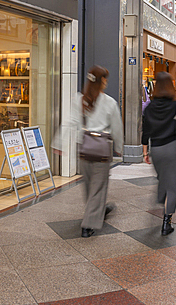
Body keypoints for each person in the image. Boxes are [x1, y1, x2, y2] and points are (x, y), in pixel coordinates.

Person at [68, 66, 124, 238]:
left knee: (89, 185)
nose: (107, 82)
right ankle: (89, 224)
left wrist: (63, 144)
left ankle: (97, 211)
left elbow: (70, 122)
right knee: (98, 187)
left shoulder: (79, 99)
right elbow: (116, 128)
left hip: (84, 148)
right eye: (105, 79)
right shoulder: (109, 102)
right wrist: (119, 148)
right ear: (101, 81)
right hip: (101, 150)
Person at [142, 72, 176, 236]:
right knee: (173, 185)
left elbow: (145, 131)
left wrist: (145, 151)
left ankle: (161, 196)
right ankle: (167, 221)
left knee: (162, 177)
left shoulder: (149, 107)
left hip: (156, 149)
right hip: (172, 147)